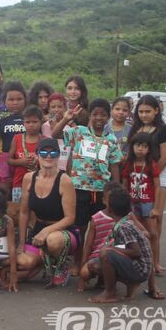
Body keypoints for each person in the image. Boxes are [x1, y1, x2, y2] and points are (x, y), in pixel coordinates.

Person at [53, 97, 123, 269]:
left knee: (99, 228)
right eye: (95, 114)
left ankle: (93, 262)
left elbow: (114, 166)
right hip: (78, 189)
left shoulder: (112, 140)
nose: (99, 118)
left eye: (103, 115)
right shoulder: (79, 132)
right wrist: (66, 118)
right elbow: (55, 134)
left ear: (108, 118)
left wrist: (116, 189)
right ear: (90, 115)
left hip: (101, 191)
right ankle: (77, 262)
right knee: (80, 227)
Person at [17, 138, 79, 287]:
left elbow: (70, 218)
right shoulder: (29, 178)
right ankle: (43, 261)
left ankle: (61, 266)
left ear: (58, 156)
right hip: (38, 231)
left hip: (63, 232)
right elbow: (24, 213)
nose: (48, 156)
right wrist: (20, 243)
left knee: (53, 240)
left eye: (53, 153)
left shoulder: (65, 180)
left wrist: (46, 231)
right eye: (44, 152)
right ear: (37, 155)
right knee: (24, 264)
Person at [127, 94, 166, 275]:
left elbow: (165, 157)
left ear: (156, 111)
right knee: (138, 220)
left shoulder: (163, 130)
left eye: (148, 111)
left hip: (157, 176)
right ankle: (142, 259)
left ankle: (155, 262)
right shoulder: (135, 128)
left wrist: (149, 172)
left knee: (155, 219)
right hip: (136, 178)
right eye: (141, 111)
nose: (144, 115)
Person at [88, 189, 157, 304]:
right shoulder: (124, 222)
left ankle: (110, 293)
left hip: (141, 269)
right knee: (95, 264)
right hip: (139, 266)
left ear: (110, 209)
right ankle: (129, 283)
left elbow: (136, 252)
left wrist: (111, 249)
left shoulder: (124, 226)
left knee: (105, 253)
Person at [122, 132, 162, 273]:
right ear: (132, 147)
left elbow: (158, 187)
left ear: (149, 149)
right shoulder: (129, 163)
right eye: (138, 145)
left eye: (144, 146)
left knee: (153, 233)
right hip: (132, 202)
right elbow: (124, 185)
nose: (140, 149)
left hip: (147, 202)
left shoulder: (152, 164)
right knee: (134, 233)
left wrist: (156, 208)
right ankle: (136, 262)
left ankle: (155, 263)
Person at [0, 81, 27, 197]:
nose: (15, 103)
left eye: (19, 99)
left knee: (23, 193)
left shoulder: (29, 116)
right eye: (11, 100)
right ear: (4, 101)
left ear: (25, 100)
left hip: (25, 159)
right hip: (3, 158)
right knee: (3, 193)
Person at [77, 183, 118, 292]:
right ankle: (102, 278)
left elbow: (144, 232)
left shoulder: (125, 217)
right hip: (97, 257)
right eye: (109, 199)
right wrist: (82, 276)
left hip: (117, 256)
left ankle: (108, 284)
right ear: (104, 200)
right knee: (85, 273)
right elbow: (88, 245)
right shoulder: (96, 219)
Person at [8, 105, 43, 204]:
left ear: (41, 122)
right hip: (19, 183)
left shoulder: (44, 140)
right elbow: (9, 160)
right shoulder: (17, 138)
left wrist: (38, 161)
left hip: (40, 184)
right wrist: (21, 161)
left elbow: (49, 160)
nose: (31, 125)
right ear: (23, 123)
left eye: (35, 122)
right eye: (28, 122)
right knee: (18, 212)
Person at [41, 93, 71, 171]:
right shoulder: (44, 126)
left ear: (65, 109)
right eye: (53, 107)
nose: (56, 109)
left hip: (63, 167)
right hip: (48, 166)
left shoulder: (69, 128)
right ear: (49, 109)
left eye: (60, 106)